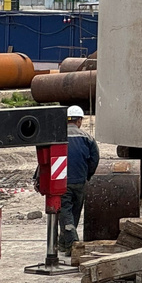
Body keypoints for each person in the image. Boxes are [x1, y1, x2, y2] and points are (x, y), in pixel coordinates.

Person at [59, 105, 100, 255]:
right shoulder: (87, 138)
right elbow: (95, 159)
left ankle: (71, 244)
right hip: (80, 182)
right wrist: (87, 175)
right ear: (79, 121)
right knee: (74, 212)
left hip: (62, 182)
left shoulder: (58, 137)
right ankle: (64, 243)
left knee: (65, 212)